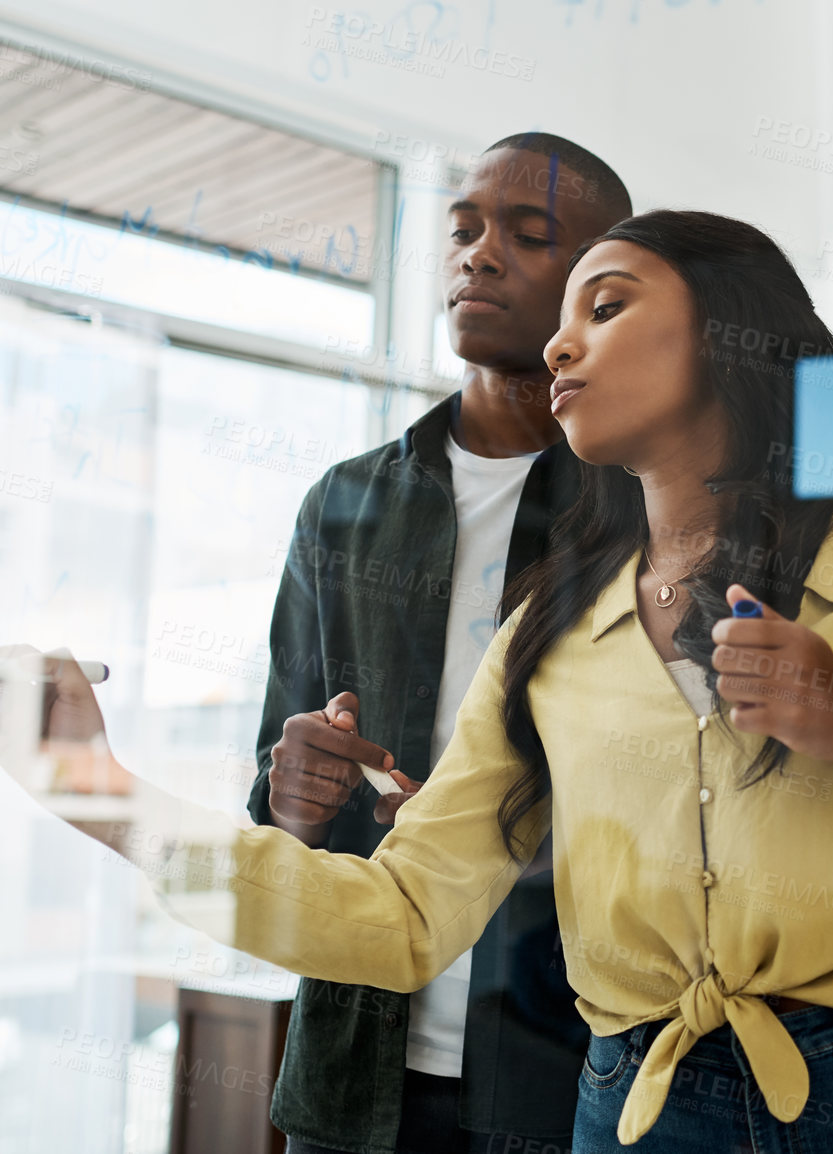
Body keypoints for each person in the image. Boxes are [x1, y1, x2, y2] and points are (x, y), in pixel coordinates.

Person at [0, 209, 833, 1153]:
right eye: (562, 320)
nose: (561, 348)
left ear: (730, 332)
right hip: (637, 1111)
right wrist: (99, 788)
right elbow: (402, 915)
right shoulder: (547, 628)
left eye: (606, 305)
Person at [252, 132, 632, 1154]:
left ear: (604, 289)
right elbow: (270, 792)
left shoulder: (645, 514)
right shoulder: (343, 504)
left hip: (574, 1073)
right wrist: (294, 787)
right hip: (352, 1077)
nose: (480, 253)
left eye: (528, 233)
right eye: (463, 229)